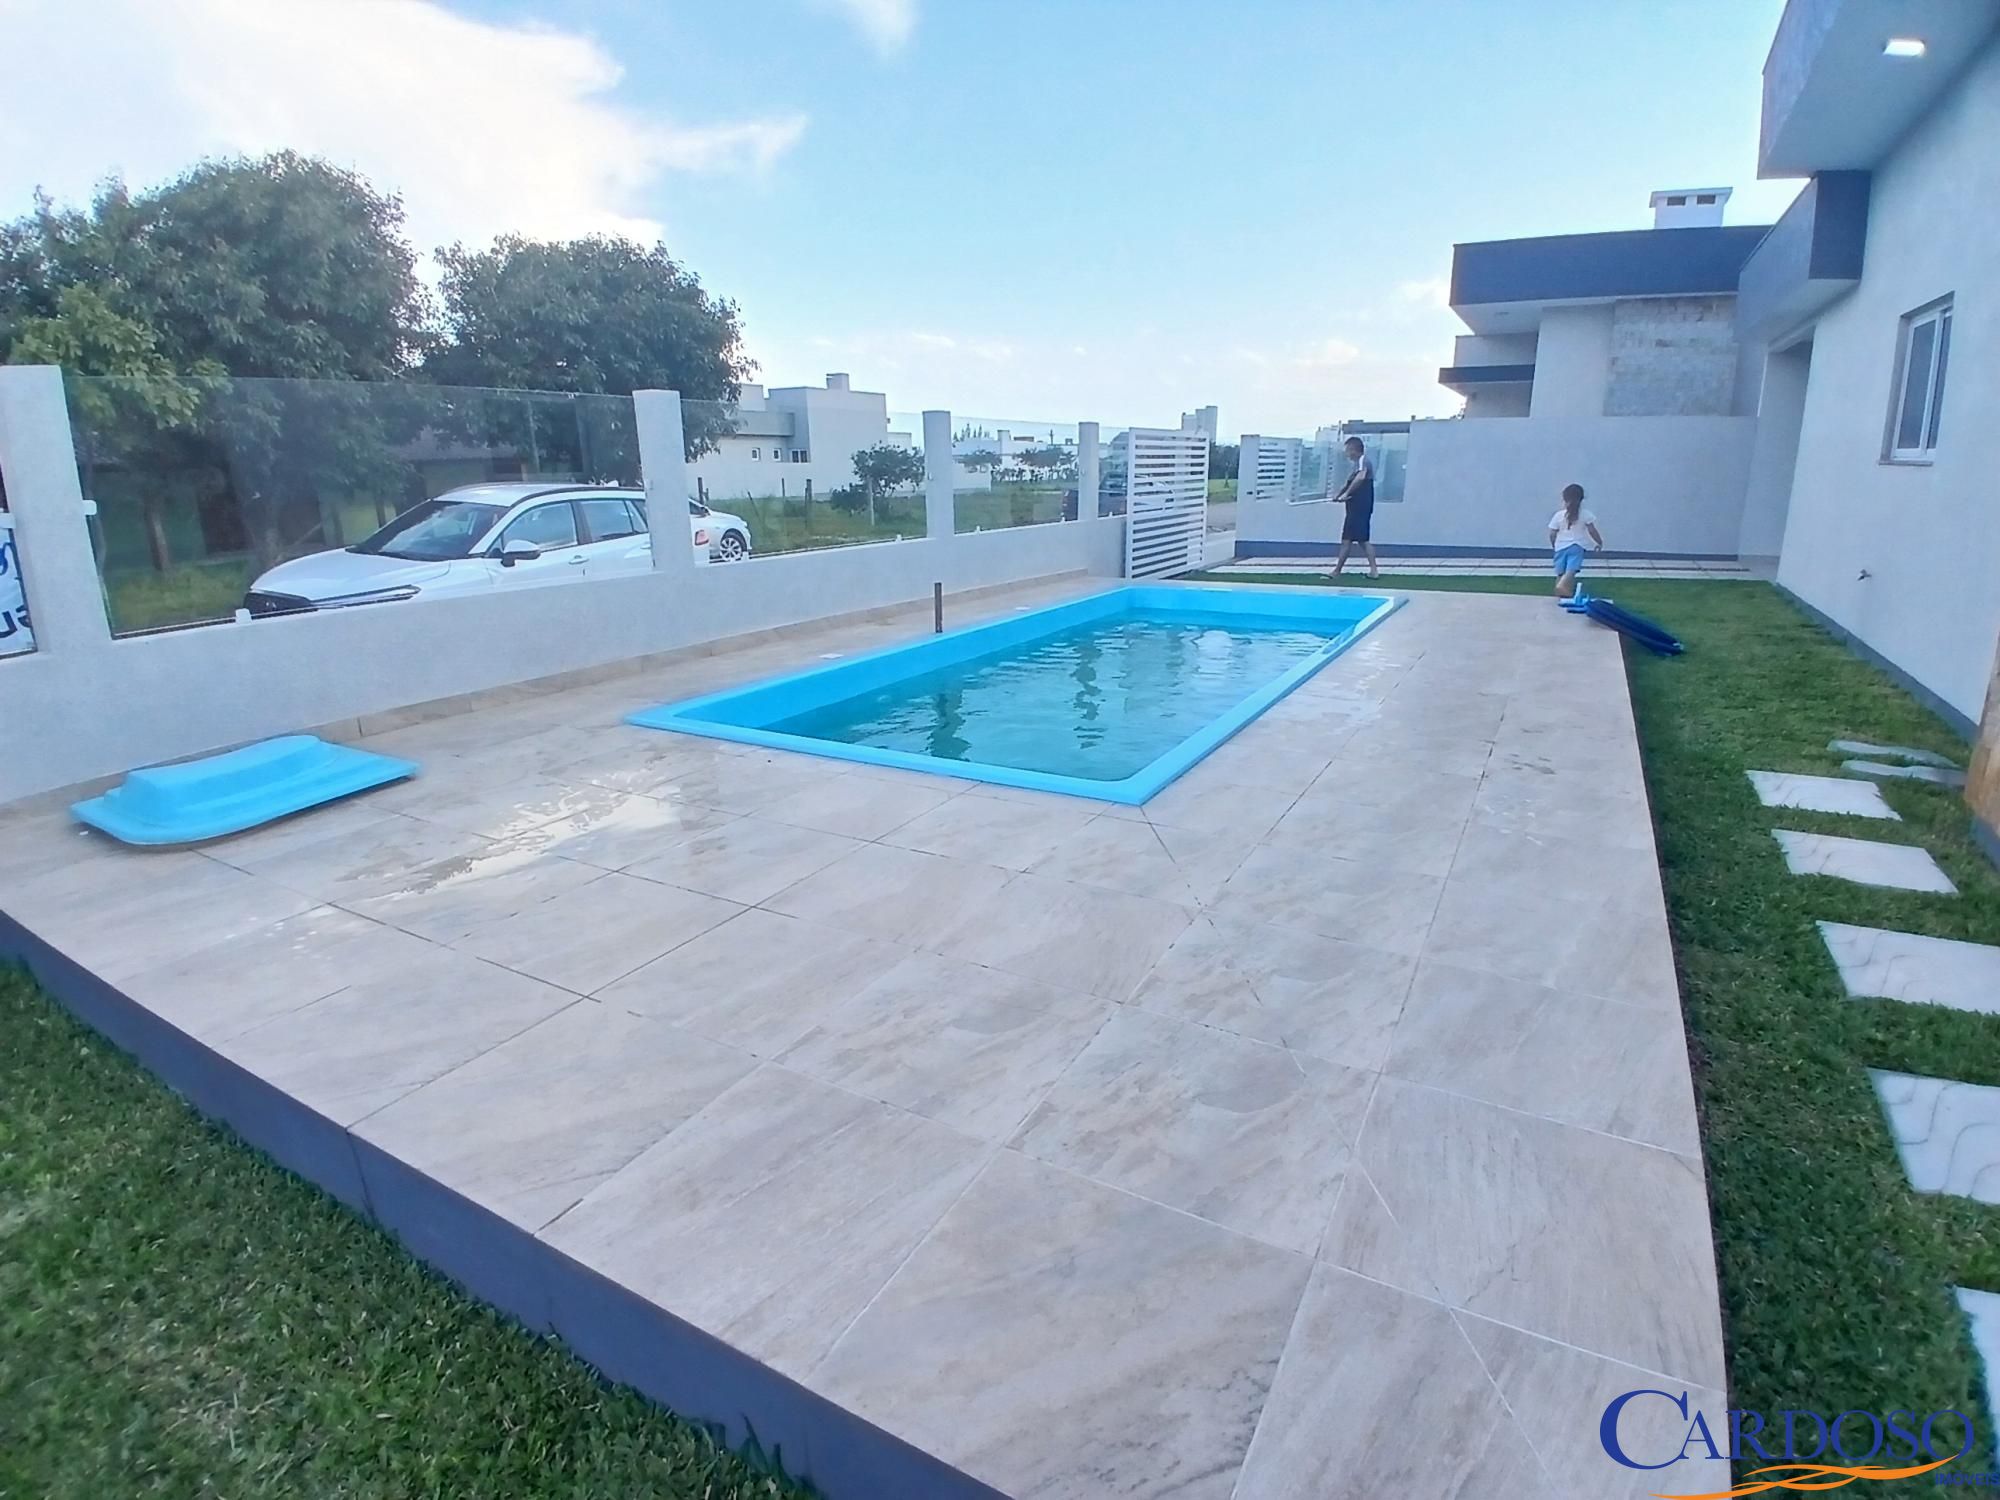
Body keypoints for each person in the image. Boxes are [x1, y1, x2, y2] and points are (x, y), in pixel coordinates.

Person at [1331, 436, 1379, 579]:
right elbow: (1349, 482)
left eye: (1347, 450)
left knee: (1360, 540)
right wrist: (1339, 495)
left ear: (1354, 450)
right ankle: (1337, 571)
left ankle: (1373, 571)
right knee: (1349, 540)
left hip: (1360, 509)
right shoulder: (1356, 465)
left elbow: (1360, 478)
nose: (1346, 454)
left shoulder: (1363, 460)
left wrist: (1346, 494)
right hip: (1353, 509)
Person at [1548, 483, 1605, 599]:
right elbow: (1592, 530)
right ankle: (1563, 588)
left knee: (1560, 572)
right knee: (1571, 571)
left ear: (1564, 498)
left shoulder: (1558, 515)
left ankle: (1560, 595)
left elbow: (1552, 533)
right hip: (1577, 546)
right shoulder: (1586, 514)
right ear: (1581, 499)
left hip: (1560, 547)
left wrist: (1553, 544)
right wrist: (1599, 542)